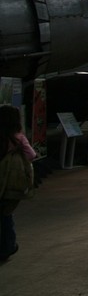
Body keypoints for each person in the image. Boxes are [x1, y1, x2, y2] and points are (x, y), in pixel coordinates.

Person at [1, 104, 35, 261]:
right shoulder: (18, 138)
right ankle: (8, 246)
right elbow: (31, 155)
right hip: (11, 185)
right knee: (6, 215)